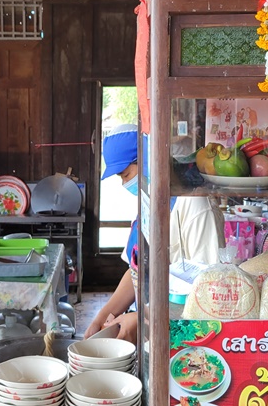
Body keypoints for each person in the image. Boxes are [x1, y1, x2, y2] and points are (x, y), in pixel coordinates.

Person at [85, 124, 224, 342]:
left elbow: (206, 291)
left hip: (182, 337)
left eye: (126, 174)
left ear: (150, 160)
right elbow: (137, 272)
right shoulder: (148, 203)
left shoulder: (195, 207)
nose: (124, 183)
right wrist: (101, 317)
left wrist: (141, 317)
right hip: (150, 330)